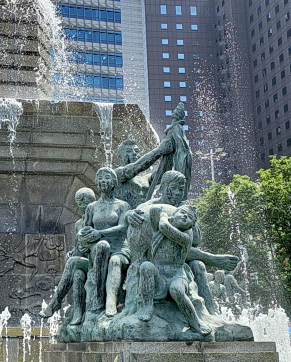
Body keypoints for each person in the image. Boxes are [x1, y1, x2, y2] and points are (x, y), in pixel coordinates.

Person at [136, 203, 213, 335]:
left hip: (176, 274)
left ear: (190, 226)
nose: (184, 216)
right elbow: (154, 212)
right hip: (159, 274)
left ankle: (195, 321)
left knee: (176, 290)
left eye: (189, 217)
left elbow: (164, 226)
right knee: (146, 266)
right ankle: (147, 306)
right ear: (175, 213)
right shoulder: (158, 230)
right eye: (182, 212)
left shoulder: (186, 238)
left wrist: (164, 217)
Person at [78, 168, 130, 317]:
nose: (102, 181)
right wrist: (84, 238)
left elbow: (123, 227)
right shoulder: (91, 207)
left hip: (119, 248)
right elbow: (86, 228)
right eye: (100, 178)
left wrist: (100, 233)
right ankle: (98, 296)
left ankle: (111, 301)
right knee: (102, 245)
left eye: (106, 178)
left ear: (114, 182)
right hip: (98, 248)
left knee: (114, 261)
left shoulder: (122, 205)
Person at [42, 186, 96, 324]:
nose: (83, 206)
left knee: (72, 263)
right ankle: (78, 313)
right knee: (77, 274)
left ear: (93, 201)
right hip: (87, 263)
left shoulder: (100, 219)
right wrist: (73, 252)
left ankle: (54, 303)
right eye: (80, 203)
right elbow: (80, 250)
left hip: (100, 261)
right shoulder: (78, 224)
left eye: (86, 202)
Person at [113, 137, 175, 209]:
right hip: (126, 217)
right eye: (129, 151)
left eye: (136, 151)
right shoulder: (116, 175)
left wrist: (169, 153)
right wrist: (160, 150)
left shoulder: (145, 179)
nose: (134, 153)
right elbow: (137, 166)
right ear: (120, 157)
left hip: (145, 216)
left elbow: (163, 175)